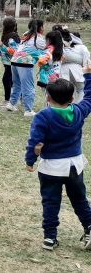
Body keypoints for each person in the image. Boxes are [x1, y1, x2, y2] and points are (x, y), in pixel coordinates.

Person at [25, 72, 91, 251]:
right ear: (71, 97)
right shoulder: (78, 111)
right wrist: (89, 76)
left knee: (50, 202)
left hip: (51, 168)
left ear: (47, 96)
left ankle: (49, 237)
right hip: (74, 165)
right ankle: (90, 227)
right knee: (79, 199)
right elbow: (89, 98)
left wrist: (30, 160)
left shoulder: (43, 116)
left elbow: (35, 142)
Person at [10, 19, 47, 117]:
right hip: (25, 63)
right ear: (40, 28)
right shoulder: (39, 39)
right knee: (28, 86)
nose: (44, 28)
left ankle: (11, 104)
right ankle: (28, 110)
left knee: (16, 84)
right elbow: (47, 48)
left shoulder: (26, 36)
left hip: (14, 60)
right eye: (43, 26)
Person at [56, 27, 90, 103]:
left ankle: (70, 108)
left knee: (69, 92)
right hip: (78, 70)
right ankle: (79, 108)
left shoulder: (63, 48)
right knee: (81, 90)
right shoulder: (82, 47)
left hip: (64, 70)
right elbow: (87, 60)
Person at [0, 17, 20, 108]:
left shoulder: (12, 36)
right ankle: (9, 100)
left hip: (12, 62)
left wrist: (2, 47)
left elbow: (14, 51)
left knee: (7, 80)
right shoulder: (8, 35)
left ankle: (10, 100)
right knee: (8, 80)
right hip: (8, 63)